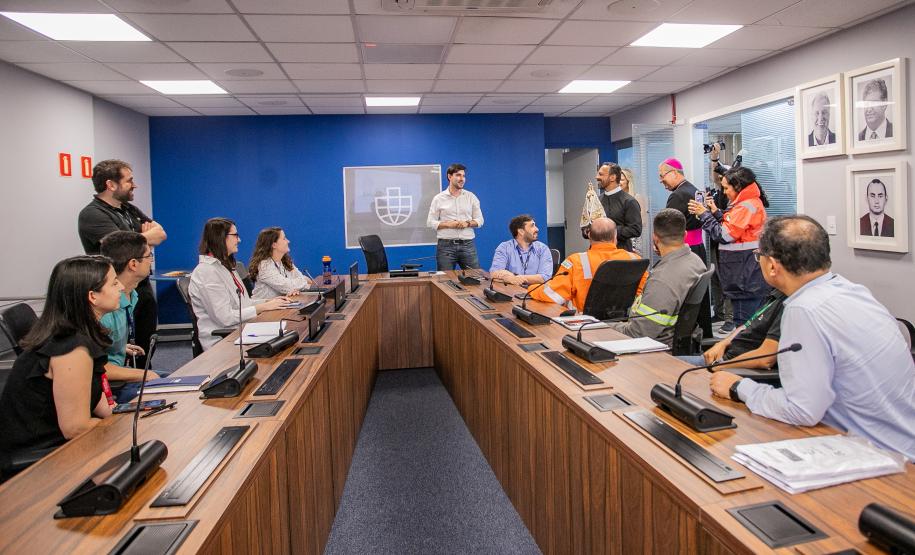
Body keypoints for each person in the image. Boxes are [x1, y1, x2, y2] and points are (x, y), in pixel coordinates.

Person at [710, 216, 915, 459]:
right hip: (901, 445)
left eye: (759, 256)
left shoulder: (804, 309)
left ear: (773, 266)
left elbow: (802, 410)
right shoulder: (853, 291)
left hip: (875, 459)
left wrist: (738, 387)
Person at [0, 256, 120, 473]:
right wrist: (118, 432)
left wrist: (124, 418)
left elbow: (99, 403)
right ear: (92, 296)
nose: (120, 286)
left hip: (52, 447)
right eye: (113, 283)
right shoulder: (71, 348)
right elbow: (75, 428)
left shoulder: (76, 335)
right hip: (37, 461)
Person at [77, 159, 167, 367]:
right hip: (113, 290)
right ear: (111, 185)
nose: (134, 185)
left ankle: (146, 386)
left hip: (139, 288)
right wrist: (142, 237)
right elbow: (120, 247)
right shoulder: (92, 214)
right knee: (117, 351)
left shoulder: (129, 209)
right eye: (129, 180)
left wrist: (138, 239)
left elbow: (160, 233)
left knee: (144, 350)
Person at [607, 209, 706, 347]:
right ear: (685, 234)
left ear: (655, 238)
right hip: (679, 342)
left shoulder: (662, 280)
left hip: (658, 350)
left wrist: (603, 326)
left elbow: (638, 334)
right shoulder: (695, 261)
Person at [188, 218, 288, 351]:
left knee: (286, 335)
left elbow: (243, 304)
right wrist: (262, 307)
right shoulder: (207, 272)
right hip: (223, 340)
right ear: (220, 237)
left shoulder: (225, 266)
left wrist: (269, 301)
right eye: (235, 235)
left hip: (240, 330)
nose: (239, 240)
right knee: (282, 344)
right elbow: (225, 318)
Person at [688, 167, 769, 326]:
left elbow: (724, 236)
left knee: (744, 330)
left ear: (737, 186)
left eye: (726, 188)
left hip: (745, 279)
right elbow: (735, 227)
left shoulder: (746, 206)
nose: (724, 192)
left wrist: (704, 215)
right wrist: (716, 213)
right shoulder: (747, 204)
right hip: (747, 276)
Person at [527, 218, 646, 313]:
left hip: (584, 326)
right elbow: (645, 294)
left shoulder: (575, 261)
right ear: (615, 236)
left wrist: (531, 289)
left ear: (589, 235)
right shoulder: (635, 259)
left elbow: (554, 296)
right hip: (624, 325)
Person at [98, 231, 162, 402]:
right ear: (133, 264)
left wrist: (118, 347)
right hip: (110, 386)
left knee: (177, 379)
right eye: (149, 256)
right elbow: (95, 367)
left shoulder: (131, 295)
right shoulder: (105, 308)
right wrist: (142, 374)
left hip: (119, 376)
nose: (151, 261)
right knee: (170, 390)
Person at [659, 157, 712, 338]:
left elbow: (668, 225)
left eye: (662, 176)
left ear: (674, 173)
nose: (661, 180)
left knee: (684, 296)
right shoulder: (694, 190)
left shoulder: (678, 195)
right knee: (698, 295)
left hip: (682, 251)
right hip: (697, 250)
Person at [677, 288, 786, 371]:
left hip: (732, 370)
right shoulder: (777, 294)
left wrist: (719, 367)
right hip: (722, 359)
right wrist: (722, 343)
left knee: (663, 368)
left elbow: (765, 359)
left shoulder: (788, 305)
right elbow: (747, 325)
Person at [427, 163, 484, 271]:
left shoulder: (471, 197)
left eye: (463, 176)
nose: (462, 179)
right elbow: (430, 222)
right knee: (444, 281)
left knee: (476, 278)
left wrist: (467, 223)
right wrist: (448, 224)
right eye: (458, 175)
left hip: (468, 245)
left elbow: (480, 220)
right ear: (449, 176)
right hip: (445, 246)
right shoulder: (438, 199)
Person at [249, 227, 313, 299]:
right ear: (274, 245)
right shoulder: (264, 266)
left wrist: (296, 288)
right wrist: (303, 281)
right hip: (263, 308)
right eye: (284, 238)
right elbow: (288, 286)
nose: (288, 241)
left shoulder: (284, 261)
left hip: (280, 306)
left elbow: (301, 282)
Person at [489, 214, 553, 285]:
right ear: (521, 231)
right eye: (532, 226)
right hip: (512, 291)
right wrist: (509, 278)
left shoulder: (543, 249)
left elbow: (544, 277)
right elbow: (494, 273)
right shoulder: (504, 247)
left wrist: (515, 278)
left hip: (535, 292)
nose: (537, 229)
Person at [595, 162, 642, 252]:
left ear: (612, 177)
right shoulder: (596, 201)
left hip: (620, 255)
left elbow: (635, 230)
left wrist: (610, 231)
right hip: (597, 253)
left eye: (600, 174)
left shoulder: (629, 201)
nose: (597, 177)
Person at [620, 168, 647, 254]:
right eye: (618, 180)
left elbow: (642, 222)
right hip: (620, 237)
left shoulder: (637, 197)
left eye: (622, 180)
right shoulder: (617, 199)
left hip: (634, 238)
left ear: (628, 181)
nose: (619, 182)